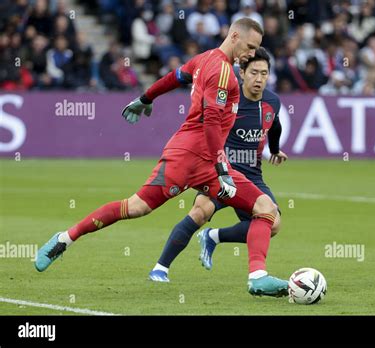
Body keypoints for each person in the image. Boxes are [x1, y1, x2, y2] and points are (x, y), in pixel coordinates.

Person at [35, 18, 288, 297]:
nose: (251, 54)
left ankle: (257, 276)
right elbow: (211, 122)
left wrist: (146, 97)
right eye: (250, 47)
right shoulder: (223, 72)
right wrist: (222, 166)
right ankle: (65, 239)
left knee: (266, 208)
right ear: (235, 36)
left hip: (206, 161)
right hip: (189, 156)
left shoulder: (203, 60)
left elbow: (175, 77)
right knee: (135, 207)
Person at [149, 47, 287, 282]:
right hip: (219, 173)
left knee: (273, 223)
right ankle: (160, 268)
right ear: (241, 73)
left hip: (252, 177)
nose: (259, 79)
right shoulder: (228, 95)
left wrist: (274, 149)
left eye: (264, 74)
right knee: (200, 211)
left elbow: (275, 125)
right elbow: (208, 124)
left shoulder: (272, 101)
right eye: (254, 72)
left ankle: (214, 237)